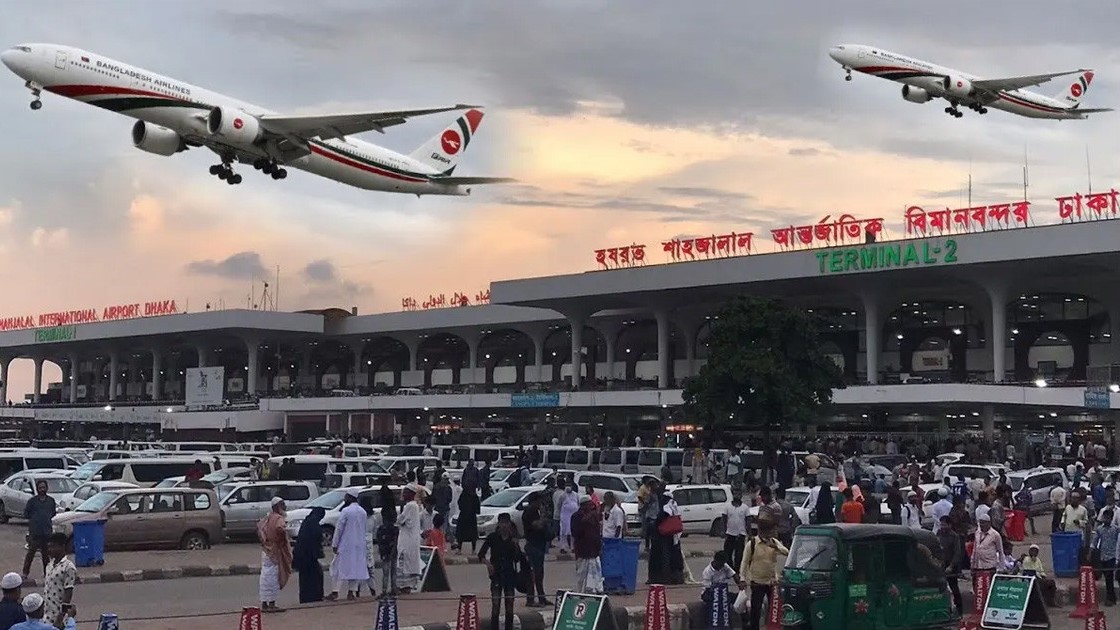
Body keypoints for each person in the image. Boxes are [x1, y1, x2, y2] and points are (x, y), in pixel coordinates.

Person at [478, 513, 524, 630]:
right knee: (496, 605)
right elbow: (481, 554)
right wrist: (488, 564)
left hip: (509, 576)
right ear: (498, 524)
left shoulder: (513, 540)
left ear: (509, 524)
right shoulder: (492, 537)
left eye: (506, 523)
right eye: (502, 523)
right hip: (496, 575)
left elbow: (518, 559)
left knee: (509, 606)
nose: (504, 526)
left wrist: (516, 547)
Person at [740, 527, 789, 630]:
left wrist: (775, 547)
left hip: (772, 581)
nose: (771, 533)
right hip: (757, 581)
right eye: (769, 531)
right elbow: (744, 562)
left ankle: (772, 627)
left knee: (774, 607)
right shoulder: (752, 544)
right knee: (756, 609)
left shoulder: (774, 542)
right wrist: (742, 578)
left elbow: (787, 552)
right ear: (761, 531)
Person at [328, 490, 371, 600]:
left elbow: (339, 529)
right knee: (355, 568)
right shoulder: (363, 512)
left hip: (346, 544)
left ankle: (335, 592)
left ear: (350, 498)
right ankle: (351, 592)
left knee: (338, 567)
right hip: (359, 544)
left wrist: (335, 543)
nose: (345, 499)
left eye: (346, 497)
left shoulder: (346, 511)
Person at [257, 497, 292, 613]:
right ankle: (272, 604)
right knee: (273, 577)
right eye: (283, 505)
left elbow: (259, 528)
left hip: (266, 551)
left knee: (265, 577)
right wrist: (281, 540)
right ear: (278, 507)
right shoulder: (278, 518)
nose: (285, 507)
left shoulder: (267, 518)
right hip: (275, 552)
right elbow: (280, 528)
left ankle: (264, 604)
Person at [521, 492, 551, 607]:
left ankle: (541, 597)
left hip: (538, 545)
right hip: (533, 545)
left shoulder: (534, 511)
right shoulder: (531, 511)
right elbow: (536, 525)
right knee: (533, 574)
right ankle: (531, 599)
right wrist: (544, 519)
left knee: (539, 574)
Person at [648, 490, 685, 585]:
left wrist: (656, 524)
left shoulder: (667, 506)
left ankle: (665, 577)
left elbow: (663, 516)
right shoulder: (674, 505)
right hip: (674, 536)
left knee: (665, 557)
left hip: (666, 536)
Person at [22, 481, 55, 581]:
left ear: (47, 488)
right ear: (37, 489)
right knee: (30, 554)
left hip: (47, 532)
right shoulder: (32, 501)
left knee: (46, 555)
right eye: (40, 488)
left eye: (44, 487)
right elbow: (26, 514)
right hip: (35, 532)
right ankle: (25, 573)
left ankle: (47, 574)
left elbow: (53, 513)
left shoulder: (51, 501)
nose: (42, 490)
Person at [292, 506, 326, 603]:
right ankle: (314, 597)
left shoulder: (308, 522)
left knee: (305, 577)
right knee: (315, 575)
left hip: (303, 555)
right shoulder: (313, 524)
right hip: (308, 555)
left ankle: (306, 597)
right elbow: (316, 538)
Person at [572, 495, 604, 594]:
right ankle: (582, 594)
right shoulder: (576, 516)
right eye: (588, 505)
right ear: (583, 505)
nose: (591, 506)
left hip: (594, 551)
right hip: (583, 551)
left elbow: (597, 532)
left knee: (596, 576)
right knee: (582, 576)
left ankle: (596, 592)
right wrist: (585, 521)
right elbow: (575, 533)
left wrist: (599, 547)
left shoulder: (594, 516)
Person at [42, 533, 75, 629]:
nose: (50, 550)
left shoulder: (68, 567)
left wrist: (59, 619)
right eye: (49, 547)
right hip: (45, 616)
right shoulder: (49, 565)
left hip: (57, 618)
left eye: (53, 546)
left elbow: (68, 595)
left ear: (62, 546)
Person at [397, 485, 424, 593]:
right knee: (408, 561)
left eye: (406, 492)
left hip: (407, 539)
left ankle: (405, 586)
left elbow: (400, 520)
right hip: (410, 537)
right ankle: (407, 586)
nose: (403, 495)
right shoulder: (414, 506)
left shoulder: (410, 506)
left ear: (412, 494)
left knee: (405, 561)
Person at [936, 516, 964, 614]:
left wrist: (951, 566)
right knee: (941, 587)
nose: (942, 527)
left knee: (954, 587)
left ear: (949, 525)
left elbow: (957, 553)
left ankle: (959, 608)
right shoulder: (939, 534)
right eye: (941, 524)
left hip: (951, 565)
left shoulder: (954, 536)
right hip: (940, 565)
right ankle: (944, 608)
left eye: (944, 524)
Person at [1092, 509, 1118, 605]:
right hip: (1103, 556)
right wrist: (1090, 552)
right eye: (1104, 517)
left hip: (1112, 557)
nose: (1105, 519)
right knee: (1106, 578)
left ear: (1111, 519)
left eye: (1107, 518)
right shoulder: (1100, 529)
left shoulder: (1115, 529)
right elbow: (1094, 541)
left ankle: (1110, 599)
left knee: (1109, 578)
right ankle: (1112, 598)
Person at [723, 494, 750, 571]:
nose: (736, 495)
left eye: (738, 493)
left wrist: (749, 534)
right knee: (727, 553)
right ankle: (730, 569)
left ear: (741, 495)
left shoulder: (745, 508)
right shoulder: (727, 506)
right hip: (730, 533)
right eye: (735, 493)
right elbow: (724, 519)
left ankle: (737, 569)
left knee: (739, 554)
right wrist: (724, 530)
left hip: (741, 534)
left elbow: (748, 521)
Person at [377, 507, 399, 596]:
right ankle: (393, 588)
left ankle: (384, 590)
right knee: (393, 571)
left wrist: (381, 551)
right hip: (392, 552)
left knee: (386, 572)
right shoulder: (395, 529)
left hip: (385, 552)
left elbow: (379, 542)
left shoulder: (381, 529)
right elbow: (396, 541)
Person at [456, 485, 480, 553]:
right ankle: (473, 550)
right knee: (471, 534)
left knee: (462, 533)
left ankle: (460, 549)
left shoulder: (464, 495)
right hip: (471, 516)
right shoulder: (473, 496)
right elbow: (477, 507)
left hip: (464, 516)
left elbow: (459, 503)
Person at [558, 483, 579, 553]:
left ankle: (573, 547)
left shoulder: (576, 495)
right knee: (563, 531)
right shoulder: (562, 495)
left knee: (573, 531)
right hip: (565, 516)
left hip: (573, 516)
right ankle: (562, 547)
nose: (568, 487)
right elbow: (559, 505)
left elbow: (578, 504)